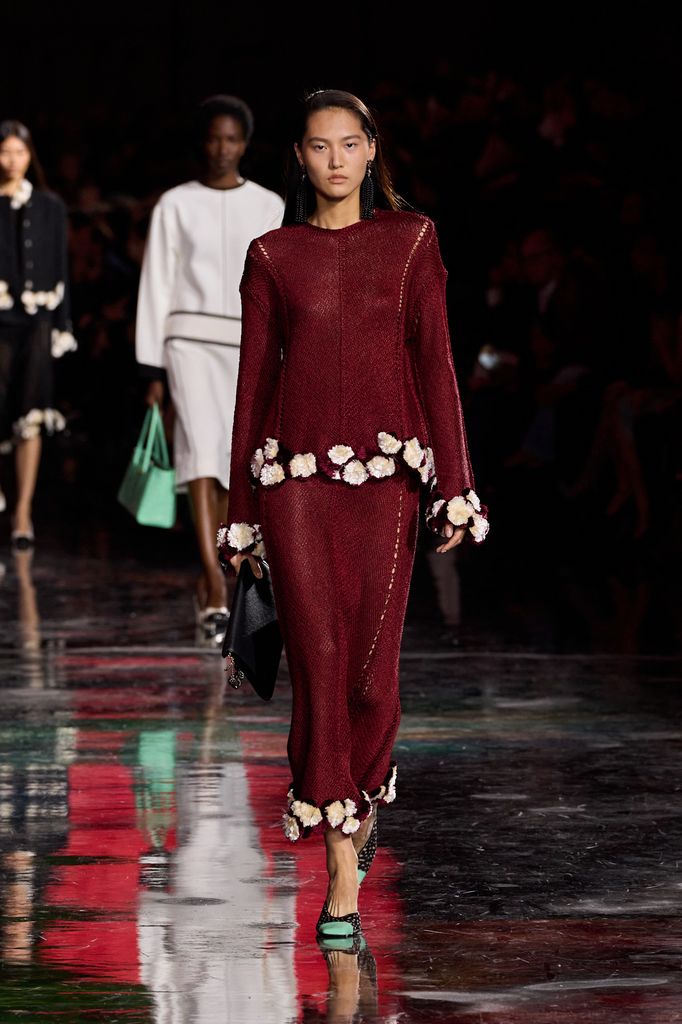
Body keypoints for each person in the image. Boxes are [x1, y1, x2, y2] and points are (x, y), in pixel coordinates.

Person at [217, 89, 489, 939]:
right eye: (318, 146)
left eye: (349, 144)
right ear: (298, 158)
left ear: (372, 151)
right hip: (293, 484)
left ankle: (359, 802)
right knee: (322, 663)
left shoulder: (411, 243)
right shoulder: (273, 255)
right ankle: (340, 868)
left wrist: (456, 485)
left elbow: (437, 364)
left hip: (388, 484)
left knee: (372, 677)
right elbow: (252, 388)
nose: (335, 159)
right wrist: (240, 514)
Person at [135, 95, 284, 641]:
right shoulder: (175, 204)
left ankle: (215, 571)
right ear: (203, 143)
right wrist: (150, 365)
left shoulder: (268, 205)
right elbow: (157, 279)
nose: (222, 148)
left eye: (232, 139)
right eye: (214, 138)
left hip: (247, 343)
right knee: (199, 453)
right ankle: (216, 580)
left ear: (245, 144)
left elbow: (277, 281)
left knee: (230, 460)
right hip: (187, 343)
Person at [0, 120, 77, 546]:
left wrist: (62, 324)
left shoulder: (50, 207)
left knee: (30, 413)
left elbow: (60, 268)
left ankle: (22, 512)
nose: (12, 160)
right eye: (5, 151)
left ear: (30, 156)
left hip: (37, 322)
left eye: (19, 152)